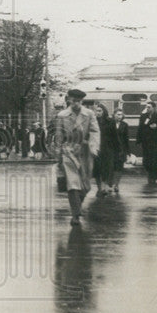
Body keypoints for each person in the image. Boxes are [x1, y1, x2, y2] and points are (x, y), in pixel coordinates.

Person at [55, 88, 100, 225]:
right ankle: (75, 215)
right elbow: (59, 136)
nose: (75, 103)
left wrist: (94, 147)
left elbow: (94, 131)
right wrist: (59, 155)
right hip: (69, 151)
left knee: (86, 186)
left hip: (86, 151)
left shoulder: (89, 114)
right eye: (73, 101)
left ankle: (77, 207)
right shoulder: (62, 115)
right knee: (73, 184)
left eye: (78, 101)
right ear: (69, 100)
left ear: (82, 101)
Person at [136, 100, 157, 184]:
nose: (147, 108)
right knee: (146, 160)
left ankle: (155, 176)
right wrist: (138, 139)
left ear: (154, 108)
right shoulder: (143, 116)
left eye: (149, 107)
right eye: (146, 107)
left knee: (155, 160)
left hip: (155, 142)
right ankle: (149, 174)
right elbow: (140, 128)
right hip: (145, 142)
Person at [93, 103, 115, 196]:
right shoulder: (93, 121)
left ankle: (104, 186)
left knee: (106, 168)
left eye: (100, 111)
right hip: (96, 148)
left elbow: (115, 136)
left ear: (104, 111)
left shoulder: (110, 121)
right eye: (97, 111)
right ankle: (99, 188)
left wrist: (117, 148)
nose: (98, 113)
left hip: (107, 148)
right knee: (97, 169)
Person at [110, 108, 131, 193]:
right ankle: (110, 184)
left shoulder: (124, 125)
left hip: (121, 149)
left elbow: (126, 138)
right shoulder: (110, 124)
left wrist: (128, 151)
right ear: (114, 115)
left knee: (119, 168)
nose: (119, 116)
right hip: (111, 149)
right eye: (118, 114)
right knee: (111, 167)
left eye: (121, 115)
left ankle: (116, 185)